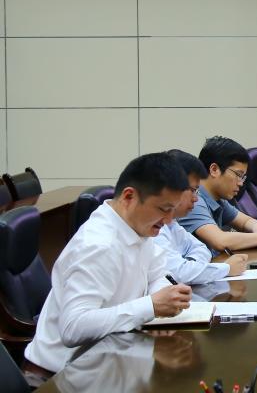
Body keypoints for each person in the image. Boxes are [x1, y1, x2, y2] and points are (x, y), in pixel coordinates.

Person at [23, 153, 194, 378]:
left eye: (173, 209)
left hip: (109, 358)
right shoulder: (98, 245)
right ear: (129, 197)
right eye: (164, 209)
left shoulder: (138, 226)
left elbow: (157, 274)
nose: (170, 220)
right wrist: (151, 306)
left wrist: (162, 300)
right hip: (61, 376)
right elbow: (73, 327)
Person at [179, 137, 257, 253]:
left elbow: (245, 222)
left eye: (243, 177)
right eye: (238, 175)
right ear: (214, 169)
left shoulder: (217, 199)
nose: (241, 183)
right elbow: (220, 241)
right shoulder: (194, 201)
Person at [154, 150, 248, 285]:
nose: (196, 198)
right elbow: (180, 274)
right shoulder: (153, 227)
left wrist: (191, 266)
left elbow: (202, 249)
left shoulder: (170, 223)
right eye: (193, 190)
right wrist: (226, 269)